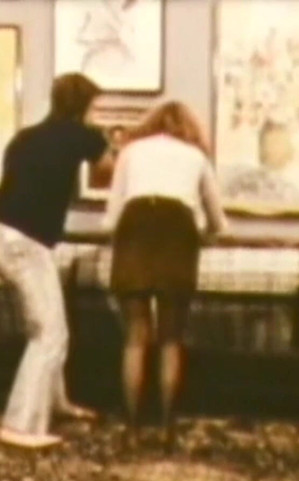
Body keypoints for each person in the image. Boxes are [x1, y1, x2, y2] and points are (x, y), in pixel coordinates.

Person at [0, 73, 109, 449]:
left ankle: (57, 402)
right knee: (50, 334)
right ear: (83, 107)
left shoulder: (24, 137)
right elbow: (109, 169)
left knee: (46, 328)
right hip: (27, 244)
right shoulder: (82, 135)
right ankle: (20, 425)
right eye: (95, 107)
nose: (96, 114)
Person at [100, 101, 230, 452]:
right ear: (189, 128)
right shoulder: (196, 156)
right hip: (178, 231)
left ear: (150, 124)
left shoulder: (130, 151)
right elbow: (219, 222)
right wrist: (205, 234)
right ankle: (168, 428)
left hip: (135, 226)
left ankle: (132, 429)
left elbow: (111, 218)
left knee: (135, 336)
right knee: (171, 337)